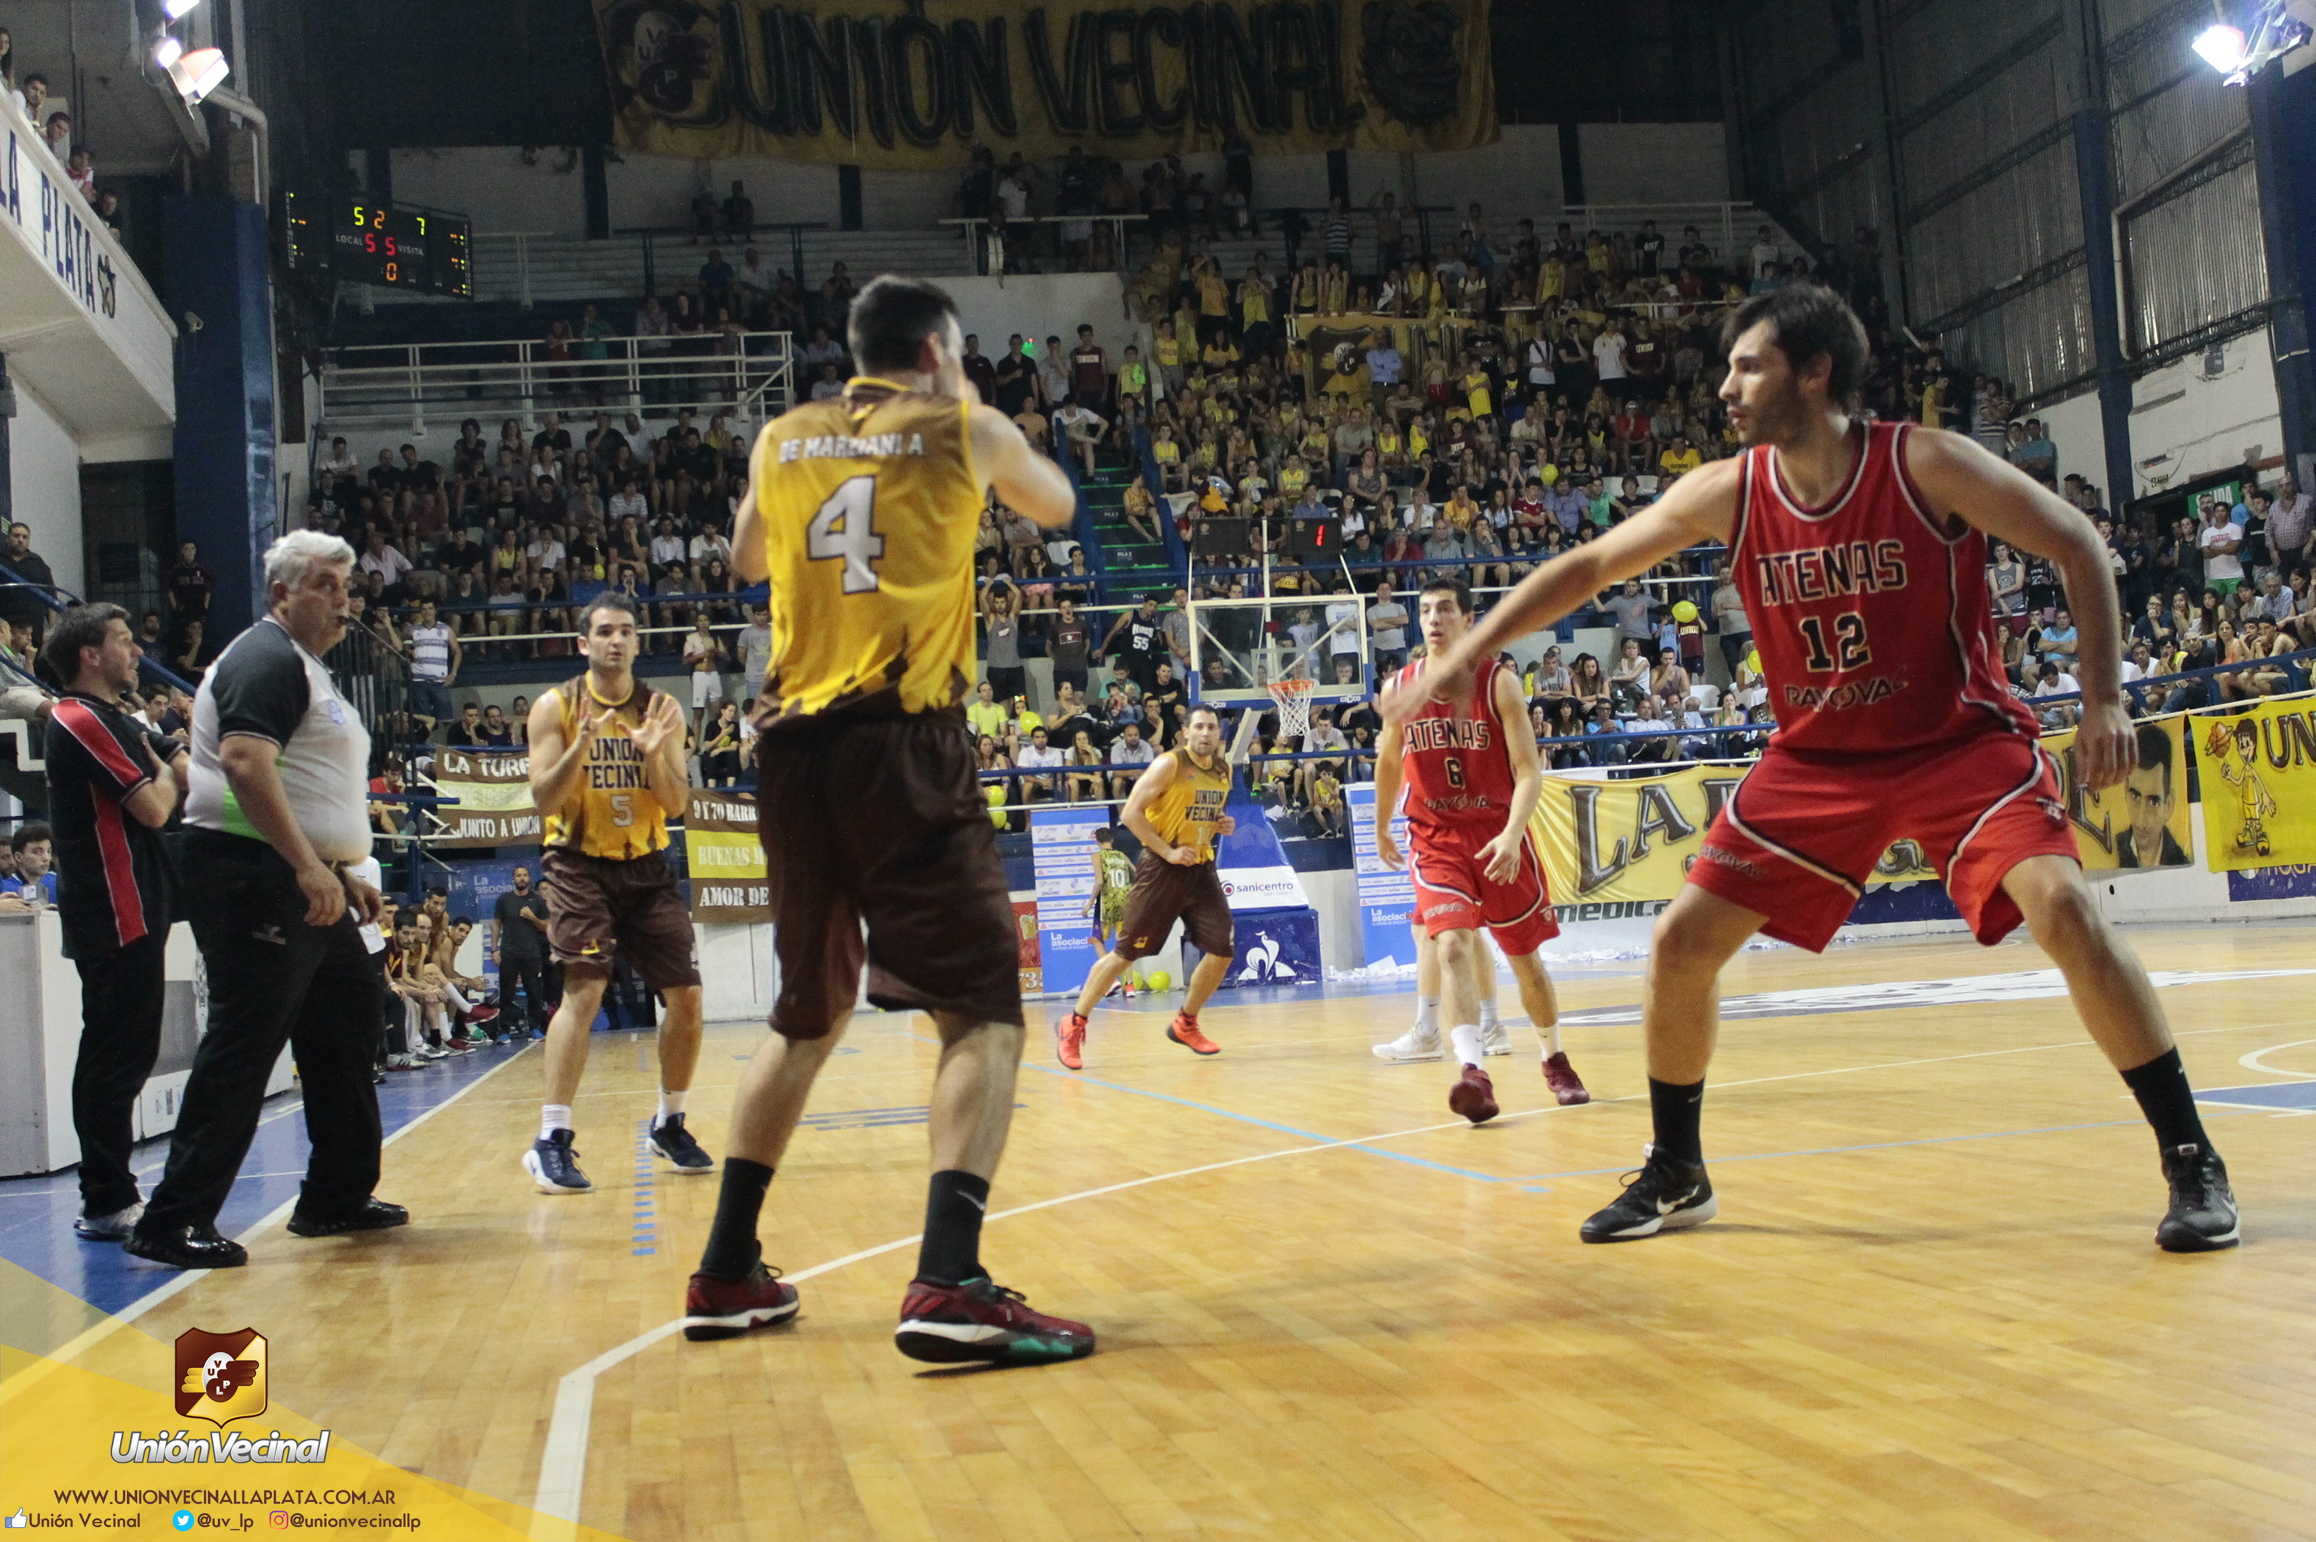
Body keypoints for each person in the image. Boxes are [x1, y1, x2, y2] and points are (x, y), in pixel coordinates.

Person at [1398, 283, 2237, 1254]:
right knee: (1680, 944)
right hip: (1819, 759)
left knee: (2065, 910)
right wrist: (1471, 651)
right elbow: (1587, 568)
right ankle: (1678, 1170)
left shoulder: (1925, 462)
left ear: (1815, 371)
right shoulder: (1730, 488)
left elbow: (2077, 541)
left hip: (1957, 744)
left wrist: (2102, 699)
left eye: (1747, 367)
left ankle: (2191, 1156)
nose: (1726, 388)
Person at [694, 275, 1093, 1363]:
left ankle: (726, 1270)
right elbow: (1058, 504)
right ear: (932, 352)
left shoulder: (783, 437)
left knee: (805, 1017)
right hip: (903, 742)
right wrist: (968, 413)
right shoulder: (964, 424)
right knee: (983, 1014)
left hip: (791, 752)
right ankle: (949, 1281)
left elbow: (745, 559)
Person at [125, 532, 404, 1270]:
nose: (345, 601)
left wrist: (334, 869)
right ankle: (171, 1220)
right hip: (253, 874)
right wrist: (308, 865)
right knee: (247, 1040)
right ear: (282, 593)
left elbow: (305, 784)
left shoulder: (303, 665)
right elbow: (247, 764)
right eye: (326, 586)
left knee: (349, 1023)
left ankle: (336, 1195)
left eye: (347, 586)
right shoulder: (265, 658)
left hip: (299, 873)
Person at [1368, 581, 1587, 1117]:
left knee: (1525, 961)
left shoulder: (1499, 683)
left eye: (1445, 609)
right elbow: (1390, 761)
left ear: (1468, 619)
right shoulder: (1401, 687)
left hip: (1496, 833)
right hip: (1436, 836)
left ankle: (1554, 1058)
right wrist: (1380, 826)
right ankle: (1473, 1072)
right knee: (1451, 946)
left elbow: (1529, 771)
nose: (1433, 618)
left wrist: (1512, 833)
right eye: (1425, 610)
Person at [523, 593, 709, 1193]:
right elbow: (543, 800)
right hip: (578, 865)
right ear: (584, 643)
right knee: (584, 992)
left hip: (647, 866)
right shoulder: (554, 707)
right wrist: (580, 748)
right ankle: (551, 1139)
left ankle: (669, 1122)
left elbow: (675, 804)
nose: (617, 640)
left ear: (637, 642)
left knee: (687, 997)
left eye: (627, 631)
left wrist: (654, 756)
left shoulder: (661, 708)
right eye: (605, 631)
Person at [38, 606, 187, 1240]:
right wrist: (164, 770)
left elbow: (181, 768)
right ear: (90, 655)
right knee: (113, 1056)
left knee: (128, 1051)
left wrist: (167, 764)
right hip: (113, 907)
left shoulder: (116, 718)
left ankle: (110, 1190)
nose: (138, 652)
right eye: (125, 642)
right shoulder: (79, 719)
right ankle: (104, 1199)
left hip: (139, 903)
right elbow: (155, 806)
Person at [1056, 703, 1236, 1067]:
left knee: (1222, 949)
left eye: (1211, 727)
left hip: (1201, 868)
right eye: (1199, 726)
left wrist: (1220, 823)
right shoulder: (1169, 764)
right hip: (1161, 869)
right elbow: (1130, 814)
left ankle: (1185, 1023)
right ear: (1185, 732)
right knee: (1125, 954)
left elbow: (1198, 811)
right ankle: (1073, 1023)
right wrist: (1168, 852)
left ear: (1219, 733)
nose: (1205, 733)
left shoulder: (1222, 769)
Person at [493, 863, 554, 1040]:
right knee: (506, 992)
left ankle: (534, 1027)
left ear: (529, 878)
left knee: (534, 992)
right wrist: (494, 949)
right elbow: (496, 924)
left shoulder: (538, 900)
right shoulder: (504, 899)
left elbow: (546, 927)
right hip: (509, 953)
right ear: (513, 879)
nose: (522, 878)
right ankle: (504, 1030)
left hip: (531, 953)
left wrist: (532, 917)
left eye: (525, 875)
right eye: (518, 875)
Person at [2118, 722, 2189, 869]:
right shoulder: (2112, 852)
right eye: (2135, 796)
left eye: (2153, 802)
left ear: (2169, 805)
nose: (2141, 819)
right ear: (2125, 791)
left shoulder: (2180, 860)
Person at [1083, 825, 1138, 986]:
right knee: (1124, 946)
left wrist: (1089, 904)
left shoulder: (1097, 856)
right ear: (1112, 839)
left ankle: (1111, 981)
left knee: (1097, 939)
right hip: (1124, 903)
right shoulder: (1122, 856)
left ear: (1097, 841)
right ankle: (1129, 986)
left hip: (1107, 903)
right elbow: (1136, 874)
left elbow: (1099, 882)